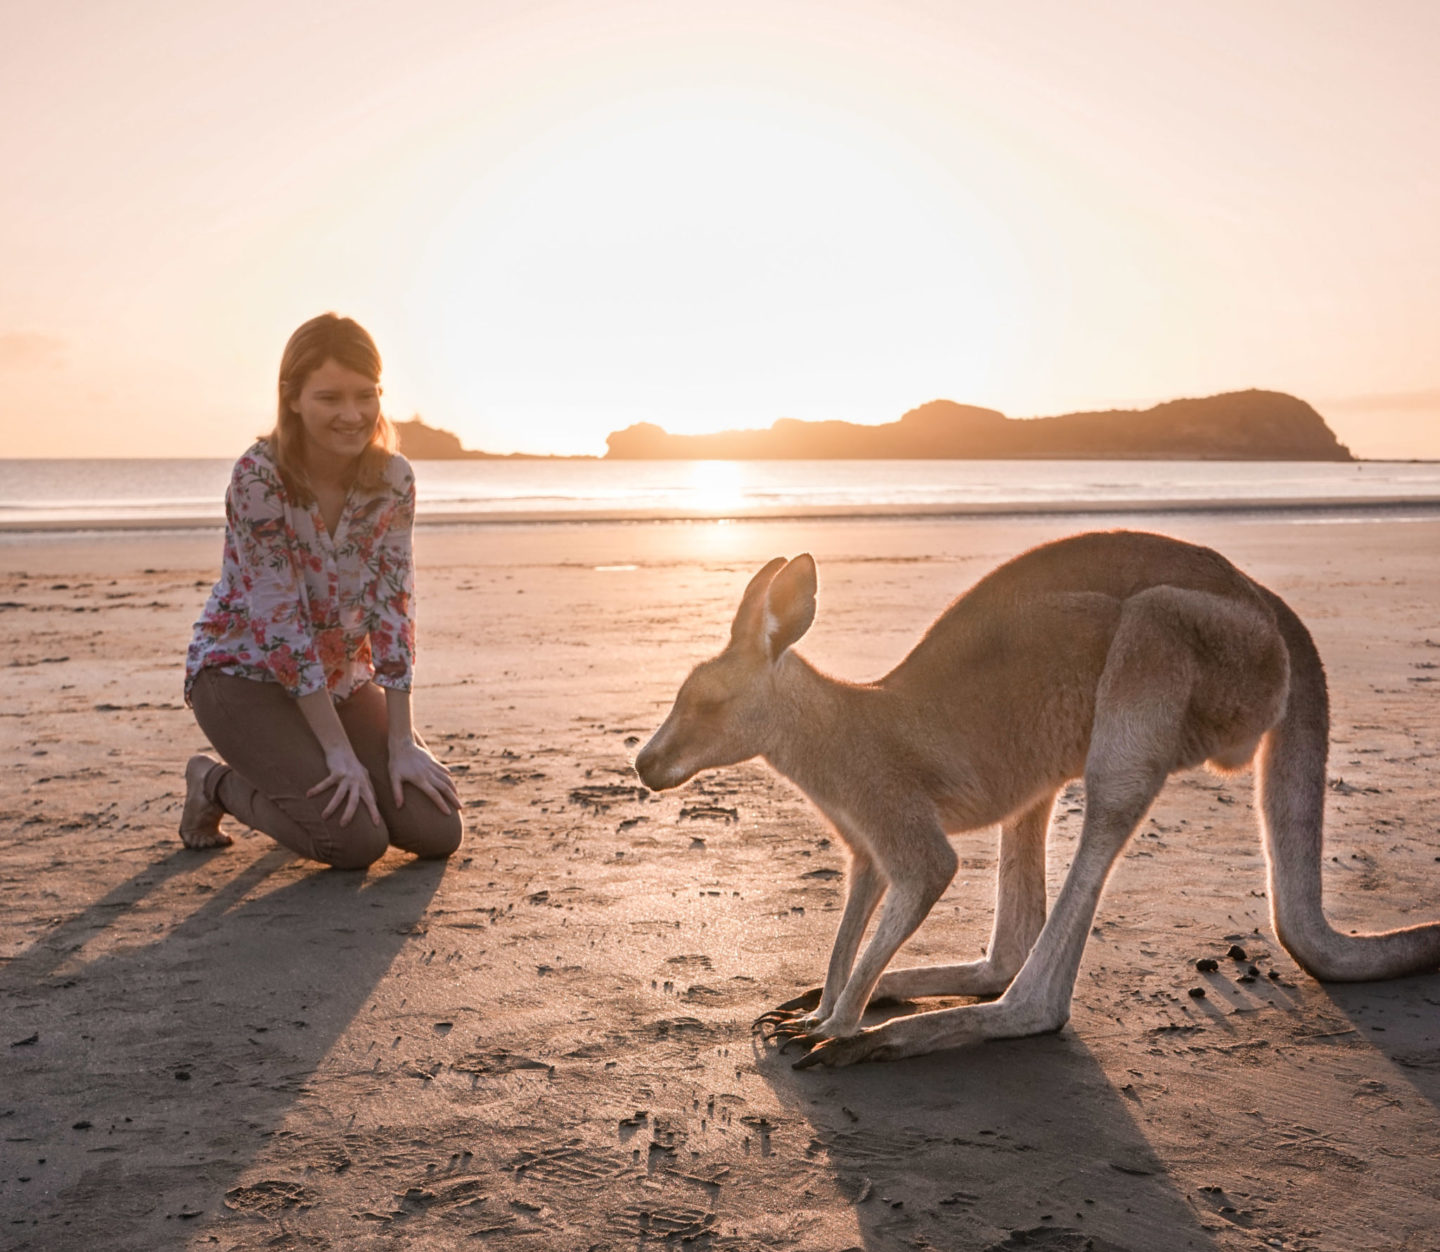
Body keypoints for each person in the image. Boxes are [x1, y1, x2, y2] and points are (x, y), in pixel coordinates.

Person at [179, 313, 462, 868]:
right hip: (242, 677)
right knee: (353, 842)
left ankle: (314, 772)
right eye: (330, 397)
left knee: (436, 828)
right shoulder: (259, 477)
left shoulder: (394, 479)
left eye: (365, 395)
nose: (351, 415)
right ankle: (212, 782)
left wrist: (401, 744)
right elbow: (279, 622)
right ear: (292, 398)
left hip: (340, 680)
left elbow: (393, 608)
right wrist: (338, 752)